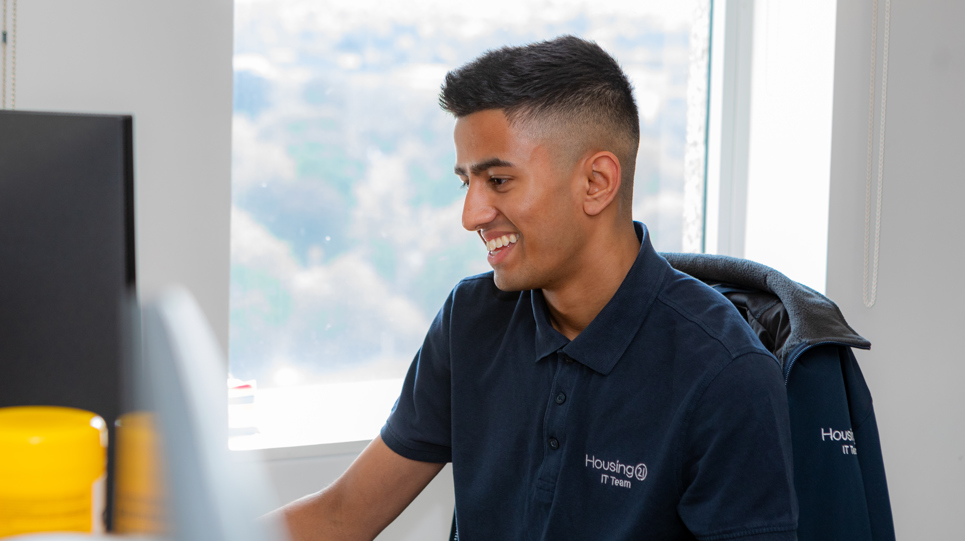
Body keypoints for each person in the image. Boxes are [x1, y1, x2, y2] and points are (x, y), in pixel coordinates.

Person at [272, 35, 798, 541]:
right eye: (466, 182)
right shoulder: (470, 319)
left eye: (498, 180)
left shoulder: (726, 373)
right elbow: (341, 517)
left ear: (595, 184)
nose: (470, 215)